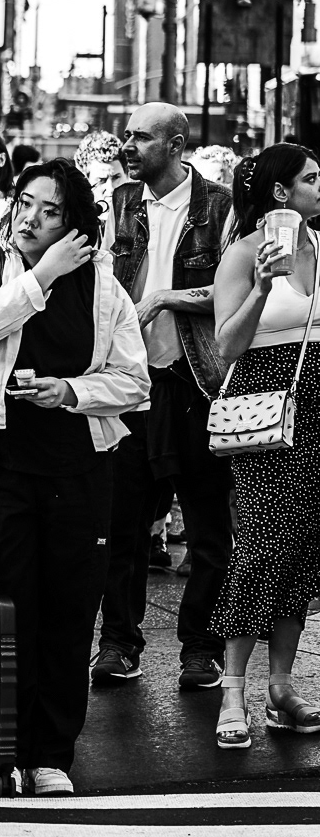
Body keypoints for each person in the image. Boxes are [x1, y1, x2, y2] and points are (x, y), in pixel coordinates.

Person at [0, 158, 149, 796]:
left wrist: (69, 391)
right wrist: (42, 274)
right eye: (25, 203)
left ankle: (52, 755)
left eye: (50, 210)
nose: (31, 218)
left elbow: (134, 382)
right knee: (12, 611)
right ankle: (5, 748)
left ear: (77, 222)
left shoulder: (104, 288)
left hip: (82, 466)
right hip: (5, 467)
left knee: (70, 613)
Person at [93, 102, 233, 692]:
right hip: (130, 386)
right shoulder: (119, 205)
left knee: (208, 529)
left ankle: (201, 649)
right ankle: (119, 644)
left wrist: (168, 297)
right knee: (121, 528)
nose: (129, 145)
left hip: (195, 382)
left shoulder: (220, 207)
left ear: (176, 144)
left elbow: (237, 286)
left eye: (142, 137)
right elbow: (100, 280)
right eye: (127, 135)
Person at [208, 144, 320, 749]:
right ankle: (233, 690)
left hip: (318, 407)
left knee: (302, 553)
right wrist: (261, 287)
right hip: (265, 406)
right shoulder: (244, 253)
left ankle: (281, 688)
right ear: (280, 193)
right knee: (259, 550)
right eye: (310, 178)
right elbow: (225, 346)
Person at [75, 131, 126, 256]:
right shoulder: (74, 226)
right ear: (84, 181)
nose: (111, 188)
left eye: (116, 177)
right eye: (101, 180)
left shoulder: (142, 220)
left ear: (128, 175)